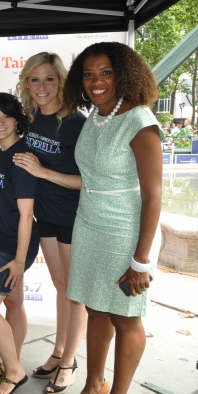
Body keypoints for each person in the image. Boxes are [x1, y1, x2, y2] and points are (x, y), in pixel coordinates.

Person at [62, 42, 162, 394]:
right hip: (89, 222)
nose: (96, 81)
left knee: (124, 316)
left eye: (106, 72)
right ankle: (94, 385)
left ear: (124, 74)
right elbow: (92, 177)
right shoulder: (99, 114)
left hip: (125, 230)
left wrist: (140, 260)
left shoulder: (139, 120)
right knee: (95, 308)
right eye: (88, 74)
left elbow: (153, 195)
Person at [12, 52, 87, 393]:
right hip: (47, 217)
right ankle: (58, 350)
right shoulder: (29, 119)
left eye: (49, 79)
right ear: (27, 83)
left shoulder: (76, 122)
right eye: (35, 79)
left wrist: (43, 172)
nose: (42, 87)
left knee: (75, 293)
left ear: (61, 81)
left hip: (74, 216)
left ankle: (70, 360)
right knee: (61, 286)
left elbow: (90, 181)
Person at [0, 92, 39, 394]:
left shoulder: (21, 157)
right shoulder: (2, 152)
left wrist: (18, 258)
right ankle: (8, 359)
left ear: (18, 119)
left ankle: (14, 372)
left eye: (6, 115)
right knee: (13, 303)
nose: (0, 122)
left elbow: (26, 215)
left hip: (12, 246)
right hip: (2, 240)